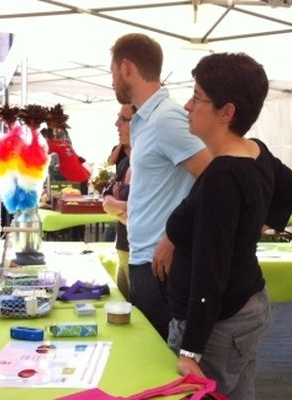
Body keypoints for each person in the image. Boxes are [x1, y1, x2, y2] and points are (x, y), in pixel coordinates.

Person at [165, 53, 292, 399]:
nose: (187, 105)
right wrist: (257, 223)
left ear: (226, 112)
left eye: (197, 97)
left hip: (219, 324)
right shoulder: (254, 151)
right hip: (246, 304)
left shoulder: (223, 175)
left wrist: (191, 351)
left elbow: (210, 269)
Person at [110, 33, 211, 340]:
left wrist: (174, 236)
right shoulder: (145, 120)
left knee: (162, 368)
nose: (112, 79)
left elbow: (214, 180)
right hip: (146, 261)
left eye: (111, 70)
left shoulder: (167, 118)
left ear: (126, 67)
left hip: (161, 267)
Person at [102, 104, 135, 300]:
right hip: (123, 244)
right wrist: (125, 208)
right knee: (123, 300)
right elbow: (106, 198)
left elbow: (140, 213)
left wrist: (120, 207)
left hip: (140, 253)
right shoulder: (124, 162)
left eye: (123, 119)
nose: (117, 124)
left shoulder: (153, 165)